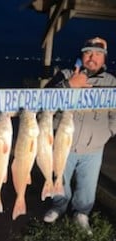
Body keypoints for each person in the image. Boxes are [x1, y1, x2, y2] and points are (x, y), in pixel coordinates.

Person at [43, 37, 116, 235]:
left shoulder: (111, 82)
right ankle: (58, 206)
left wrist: (107, 133)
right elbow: (43, 103)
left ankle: (81, 213)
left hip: (94, 148)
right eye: (88, 53)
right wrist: (69, 85)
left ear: (104, 58)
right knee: (59, 177)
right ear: (82, 55)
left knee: (87, 184)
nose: (92, 57)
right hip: (62, 145)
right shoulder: (64, 75)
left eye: (98, 54)